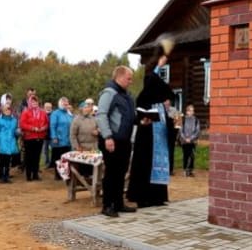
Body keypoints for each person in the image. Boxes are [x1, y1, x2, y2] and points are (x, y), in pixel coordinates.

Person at [127, 51, 175, 208]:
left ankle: (158, 197)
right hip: (147, 142)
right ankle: (143, 198)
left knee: (159, 167)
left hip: (160, 142)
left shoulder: (162, 106)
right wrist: (159, 66)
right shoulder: (144, 100)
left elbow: (168, 124)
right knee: (145, 167)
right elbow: (150, 81)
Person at [96, 65, 136, 217]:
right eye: (128, 78)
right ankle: (107, 205)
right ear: (119, 77)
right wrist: (107, 136)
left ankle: (119, 203)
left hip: (125, 140)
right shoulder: (109, 93)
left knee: (121, 172)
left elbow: (129, 117)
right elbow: (101, 115)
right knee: (111, 173)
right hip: (111, 140)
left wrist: (141, 120)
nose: (130, 81)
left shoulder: (126, 95)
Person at [19, 95, 48, 181]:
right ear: (29, 103)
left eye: (36, 102)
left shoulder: (42, 112)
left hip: (40, 137)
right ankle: (29, 175)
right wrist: (32, 128)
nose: (34, 103)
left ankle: (35, 174)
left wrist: (44, 128)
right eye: (32, 102)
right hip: (29, 137)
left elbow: (46, 123)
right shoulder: (26, 112)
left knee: (37, 156)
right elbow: (22, 124)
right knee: (29, 157)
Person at [70, 101, 99, 176]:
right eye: (85, 107)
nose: (88, 109)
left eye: (88, 107)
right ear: (81, 109)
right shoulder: (76, 120)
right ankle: (82, 182)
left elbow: (100, 128)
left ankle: (91, 182)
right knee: (83, 168)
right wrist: (76, 146)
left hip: (93, 147)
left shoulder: (93, 119)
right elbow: (73, 135)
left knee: (92, 168)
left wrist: (98, 131)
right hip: (82, 147)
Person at [0, 104, 20, 183]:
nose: (8, 111)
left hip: (11, 141)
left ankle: (6, 175)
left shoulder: (14, 120)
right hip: (2, 142)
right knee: (2, 160)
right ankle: (1, 175)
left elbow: (14, 131)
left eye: (9, 109)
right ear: (2, 111)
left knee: (8, 160)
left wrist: (17, 132)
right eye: (6, 110)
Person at [49, 97, 73, 179]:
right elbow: (52, 126)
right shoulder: (55, 113)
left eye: (67, 104)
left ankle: (65, 174)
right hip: (58, 140)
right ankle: (58, 175)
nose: (66, 105)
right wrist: (54, 137)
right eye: (64, 104)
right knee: (58, 157)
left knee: (66, 157)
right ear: (60, 104)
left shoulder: (68, 114)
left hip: (67, 140)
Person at [179, 104, 200, 177]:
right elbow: (180, 131)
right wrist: (185, 138)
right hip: (184, 141)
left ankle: (190, 170)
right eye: (190, 110)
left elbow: (197, 131)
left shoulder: (196, 120)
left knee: (192, 155)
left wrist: (191, 138)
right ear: (187, 111)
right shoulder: (183, 119)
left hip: (192, 141)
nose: (191, 112)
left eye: (192, 111)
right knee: (186, 155)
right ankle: (185, 170)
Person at [164, 99, 178, 176]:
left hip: (171, 135)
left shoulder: (174, 110)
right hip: (162, 135)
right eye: (165, 101)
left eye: (168, 101)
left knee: (170, 152)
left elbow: (178, 123)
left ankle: (170, 170)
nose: (166, 103)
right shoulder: (160, 110)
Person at [42, 102, 53, 167]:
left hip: (52, 135)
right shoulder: (42, 114)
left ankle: (52, 163)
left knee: (52, 150)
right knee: (45, 150)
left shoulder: (54, 114)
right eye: (47, 107)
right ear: (44, 107)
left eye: (49, 107)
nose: (48, 108)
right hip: (44, 136)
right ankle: (46, 162)